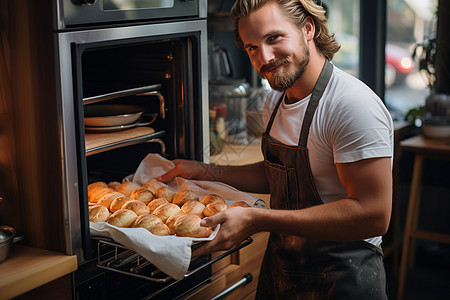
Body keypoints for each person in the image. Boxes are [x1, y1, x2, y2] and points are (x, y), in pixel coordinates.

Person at [157, 0, 393, 298]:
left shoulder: (351, 105)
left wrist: (259, 219)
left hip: (343, 281)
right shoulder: (276, 100)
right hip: (281, 276)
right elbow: (278, 175)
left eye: (274, 38)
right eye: (252, 47)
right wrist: (205, 171)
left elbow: (373, 214)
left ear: (308, 28)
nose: (264, 57)